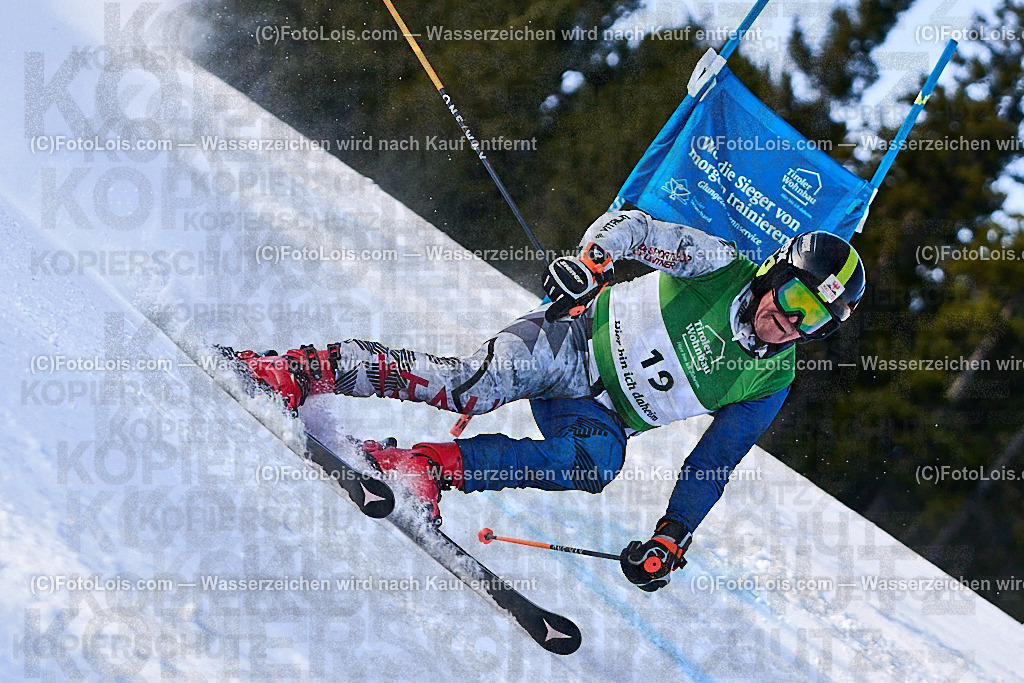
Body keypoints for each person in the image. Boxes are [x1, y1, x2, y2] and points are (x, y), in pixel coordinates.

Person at [229, 210, 865, 592]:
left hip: (598, 416)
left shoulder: (771, 379)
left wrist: (671, 537)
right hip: (571, 339)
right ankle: (298, 371)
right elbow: (634, 232)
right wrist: (590, 265)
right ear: (775, 276)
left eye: (816, 322)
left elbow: (713, 463)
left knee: (595, 465)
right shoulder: (718, 265)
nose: (794, 323)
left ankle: (423, 468)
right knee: (474, 384)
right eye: (797, 301)